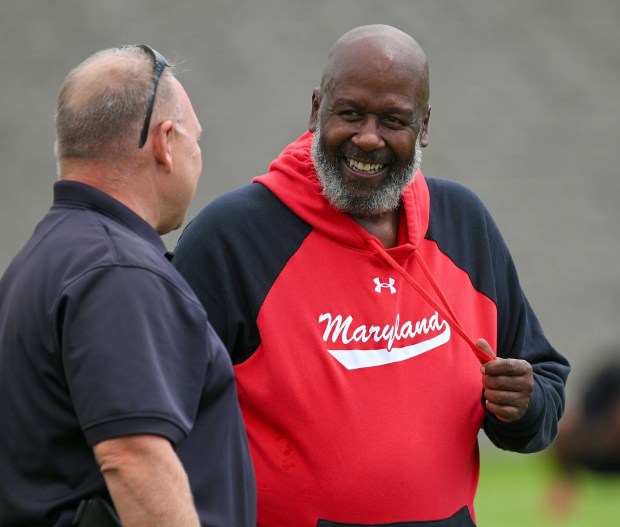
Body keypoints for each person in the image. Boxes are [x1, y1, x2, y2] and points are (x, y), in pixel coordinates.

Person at [173, 24, 570, 527]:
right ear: (317, 110)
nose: (367, 137)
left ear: (423, 127)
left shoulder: (464, 224)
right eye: (350, 113)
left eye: (394, 120)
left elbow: (545, 382)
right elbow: (163, 416)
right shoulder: (232, 238)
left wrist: (525, 405)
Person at [0, 45, 255, 527]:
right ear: (164, 142)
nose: (197, 154)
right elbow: (134, 456)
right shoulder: (117, 270)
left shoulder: (42, 258)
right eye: (195, 139)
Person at [544, 354, 620, 519]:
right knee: (562, 429)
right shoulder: (611, 372)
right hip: (599, 439)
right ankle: (565, 485)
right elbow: (583, 408)